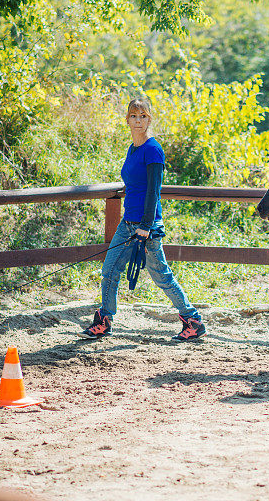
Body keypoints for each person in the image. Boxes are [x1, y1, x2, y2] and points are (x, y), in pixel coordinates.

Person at [79, 99, 206, 341]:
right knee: (110, 271)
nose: (138, 120)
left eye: (143, 116)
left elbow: (153, 191)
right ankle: (105, 320)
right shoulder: (132, 149)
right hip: (127, 223)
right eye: (134, 116)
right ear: (127, 119)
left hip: (146, 227)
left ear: (149, 119)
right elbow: (134, 185)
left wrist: (146, 226)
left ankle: (193, 321)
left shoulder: (153, 150)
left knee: (161, 276)